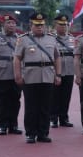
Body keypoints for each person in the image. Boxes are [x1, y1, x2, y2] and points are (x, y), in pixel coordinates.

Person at [14, 12, 61, 143]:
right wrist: (18, 75)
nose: (40, 27)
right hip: (30, 77)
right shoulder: (23, 39)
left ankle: (43, 133)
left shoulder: (52, 39)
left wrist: (58, 74)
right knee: (31, 106)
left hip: (48, 76)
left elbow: (57, 57)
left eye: (42, 25)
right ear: (31, 25)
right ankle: (30, 133)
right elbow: (17, 58)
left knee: (45, 106)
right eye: (37, 25)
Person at [0, 14, 22, 135]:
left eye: (13, 24)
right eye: (8, 23)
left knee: (15, 101)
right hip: (1, 74)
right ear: (3, 25)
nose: (11, 26)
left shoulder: (20, 39)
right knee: (2, 101)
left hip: (16, 75)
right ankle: (2, 125)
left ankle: (13, 125)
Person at [51, 15, 77, 128]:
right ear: (55, 25)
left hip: (69, 71)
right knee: (54, 96)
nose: (63, 27)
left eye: (65, 25)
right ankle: (53, 118)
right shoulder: (51, 38)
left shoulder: (72, 39)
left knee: (66, 96)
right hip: (55, 71)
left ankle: (64, 118)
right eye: (61, 25)